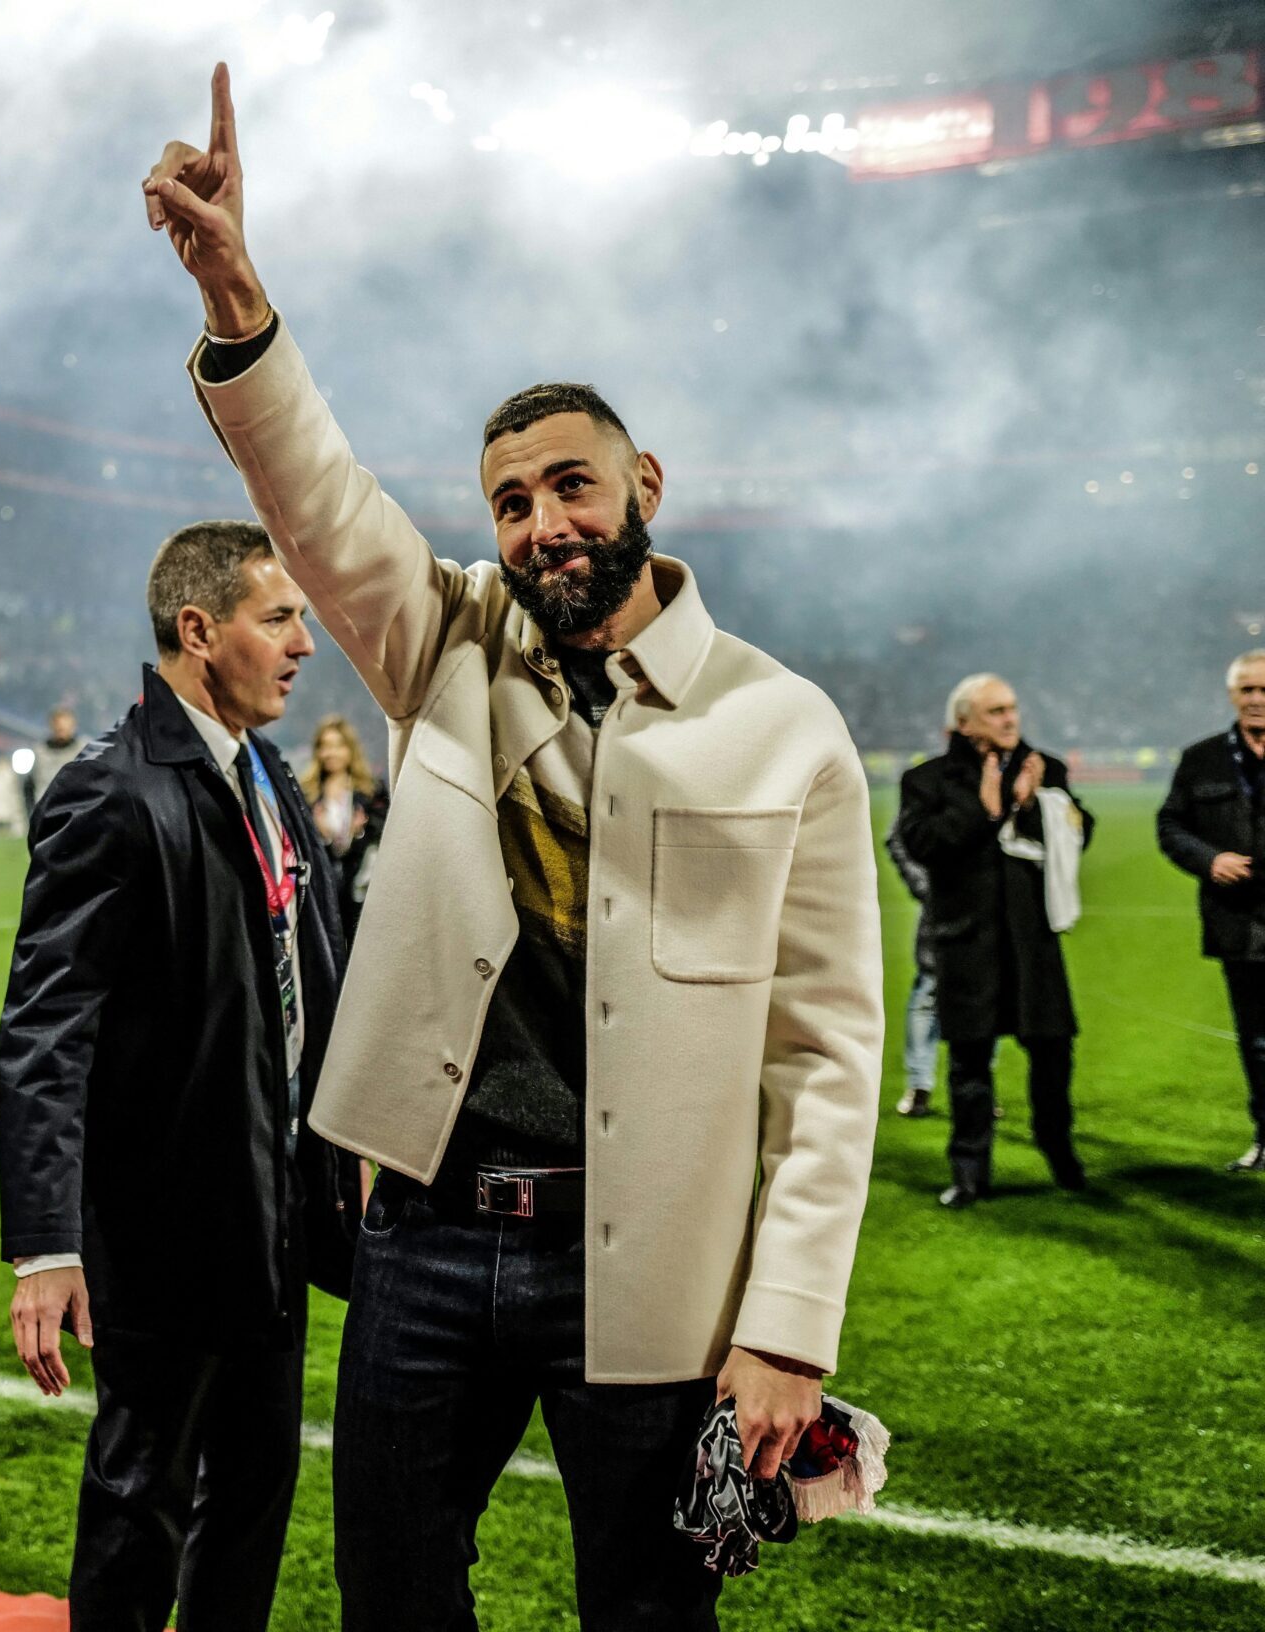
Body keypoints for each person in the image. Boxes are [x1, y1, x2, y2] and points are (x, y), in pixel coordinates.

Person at [144, 67, 885, 1629]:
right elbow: (326, 505)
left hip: (654, 1257)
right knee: (394, 1603)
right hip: (420, 1238)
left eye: (571, 485)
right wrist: (238, 302)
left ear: (644, 491)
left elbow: (826, 1056)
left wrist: (789, 1331)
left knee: (644, 1611)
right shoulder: (449, 648)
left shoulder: (786, 726)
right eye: (510, 501)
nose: (542, 522)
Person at [0, 522, 354, 1632]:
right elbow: (44, 1028)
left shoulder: (263, 771)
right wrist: (48, 1245)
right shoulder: (108, 791)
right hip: (163, 1227)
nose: (305, 644)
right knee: (140, 1502)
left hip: (271, 1208)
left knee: (253, 1495)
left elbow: (310, 970)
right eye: (278, 618)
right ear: (199, 631)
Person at [896, 674, 1093, 1207]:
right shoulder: (928, 781)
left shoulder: (1044, 768)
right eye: (995, 711)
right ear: (964, 724)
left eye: (1011, 708)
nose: (1010, 719)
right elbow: (921, 843)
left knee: (1053, 1054)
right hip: (968, 943)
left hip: (1034, 944)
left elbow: (1081, 832)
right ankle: (969, 1174)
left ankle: (1061, 1154)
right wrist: (983, 811)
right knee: (969, 1064)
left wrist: (1031, 807)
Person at [1156, 649, 1265, 1172]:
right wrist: (1209, 858)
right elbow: (1170, 826)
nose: (1257, 700)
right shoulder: (1201, 759)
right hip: (1238, 924)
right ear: (1232, 696)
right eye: (1248, 690)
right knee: (1257, 1041)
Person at [298, 713, 386, 944]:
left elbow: (383, 838)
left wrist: (358, 835)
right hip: (322, 894)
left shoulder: (371, 792)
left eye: (338, 745)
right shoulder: (307, 795)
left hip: (362, 897)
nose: (331, 753)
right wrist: (322, 836)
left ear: (350, 749)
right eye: (325, 746)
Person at [884, 804, 946, 1117]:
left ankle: (978, 1086)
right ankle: (920, 1085)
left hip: (990, 912)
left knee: (985, 999)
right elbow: (896, 836)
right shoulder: (930, 782)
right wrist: (923, 884)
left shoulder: (999, 777)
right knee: (929, 992)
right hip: (942, 911)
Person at [26, 703, 85, 811]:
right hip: (45, 813)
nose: (61, 731)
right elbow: (29, 787)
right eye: (58, 728)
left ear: (73, 726)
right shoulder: (39, 752)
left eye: (65, 727)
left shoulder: (84, 751)